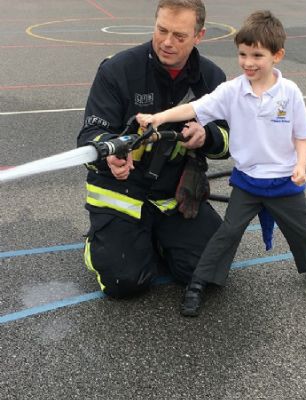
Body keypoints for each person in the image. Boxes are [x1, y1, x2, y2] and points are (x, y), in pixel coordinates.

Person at [137, 10, 306, 317]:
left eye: (257, 55)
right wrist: (159, 117)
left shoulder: (290, 92)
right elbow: (194, 107)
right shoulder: (232, 91)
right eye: (243, 54)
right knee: (227, 234)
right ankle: (198, 283)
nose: (248, 62)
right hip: (248, 182)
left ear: (277, 55)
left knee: (305, 232)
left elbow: (302, 135)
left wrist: (301, 166)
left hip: (284, 181)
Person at [77, 0, 230, 300]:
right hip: (122, 192)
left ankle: (157, 238)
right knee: (123, 282)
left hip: (174, 195)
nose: (167, 42)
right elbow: (90, 135)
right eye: (162, 30)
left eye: (180, 36)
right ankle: (102, 240)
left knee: (207, 271)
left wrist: (206, 136)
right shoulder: (118, 69)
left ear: (199, 36)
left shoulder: (212, 79)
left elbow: (229, 139)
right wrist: (109, 156)